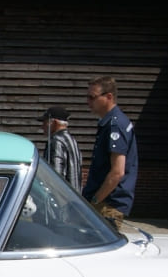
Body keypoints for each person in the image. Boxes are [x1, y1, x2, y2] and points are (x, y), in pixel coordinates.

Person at [81, 76, 138, 230]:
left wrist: (94, 201)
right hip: (105, 201)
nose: (88, 102)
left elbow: (117, 172)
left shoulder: (115, 125)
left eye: (92, 97)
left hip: (107, 204)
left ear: (109, 97)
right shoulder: (112, 122)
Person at [40, 106, 81, 188]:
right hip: (74, 196)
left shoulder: (57, 141)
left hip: (62, 198)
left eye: (45, 123)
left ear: (54, 123)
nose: (42, 127)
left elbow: (55, 176)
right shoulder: (71, 139)